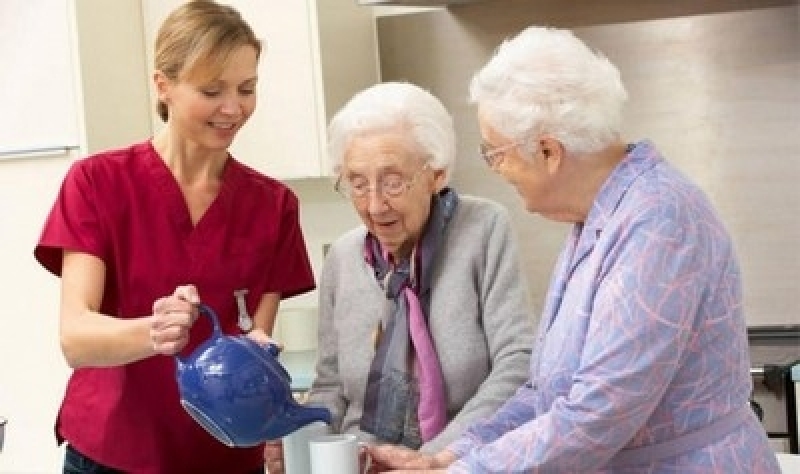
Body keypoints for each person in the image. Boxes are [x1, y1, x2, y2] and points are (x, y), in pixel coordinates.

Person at [368, 26, 782, 473]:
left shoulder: (659, 220)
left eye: (495, 152)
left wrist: (464, 472)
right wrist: (448, 457)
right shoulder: (596, 219)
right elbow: (545, 394)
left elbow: (599, 409)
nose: (496, 170)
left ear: (548, 151)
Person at [33, 1, 315, 473]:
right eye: (211, 90)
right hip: (113, 454)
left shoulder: (274, 205)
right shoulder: (96, 184)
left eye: (247, 89)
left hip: (223, 457)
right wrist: (155, 332)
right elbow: (76, 336)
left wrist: (262, 361)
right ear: (163, 85)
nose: (233, 108)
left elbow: (254, 339)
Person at [263, 82, 535, 473]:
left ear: (436, 174)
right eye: (357, 183)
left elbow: (517, 364)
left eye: (393, 182)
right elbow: (331, 389)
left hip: (459, 462)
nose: (375, 205)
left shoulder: (484, 229)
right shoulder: (343, 256)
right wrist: (298, 436)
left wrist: (434, 460)